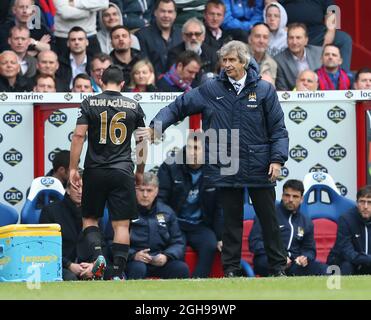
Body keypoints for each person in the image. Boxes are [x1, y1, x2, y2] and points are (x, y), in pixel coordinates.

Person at [138, 40, 289, 277]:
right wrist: (156, 127)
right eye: (224, 60)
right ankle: (230, 271)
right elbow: (179, 106)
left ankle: (278, 269)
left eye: (231, 60)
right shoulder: (210, 89)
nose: (226, 65)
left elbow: (278, 129)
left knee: (269, 220)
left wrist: (277, 160)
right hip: (225, 163)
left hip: (260, 164)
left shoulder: (264, 90)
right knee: (230, 222)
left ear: (244, 61)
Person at [69, 65, 147, 280]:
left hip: (95, 170)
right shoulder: (134, 105)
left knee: (90, 219)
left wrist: (73, 168)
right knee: (121, 224)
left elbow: (78, 136)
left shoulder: (88, 102)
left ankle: (98, 256)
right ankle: (118, 273)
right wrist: (140, 170)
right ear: (122, 84)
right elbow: (141, 140)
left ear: (101, 82)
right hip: (122, 170)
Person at [157, 134, 223, 278]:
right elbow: (160, 201)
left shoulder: (214, 169)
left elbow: (219, 207)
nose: (193, 152)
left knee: (210, 244)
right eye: (190, 148)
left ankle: (198, 283)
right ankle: (177, 283)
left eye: (197, 148)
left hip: (200, 225)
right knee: (175, 249)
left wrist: (220, 236)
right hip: (175, 224)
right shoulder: (170, 166)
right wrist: (164, 226)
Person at [249, 179, 328, 276]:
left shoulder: (306, 222)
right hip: (268, 259)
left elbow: (310, 250)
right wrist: (279, 256)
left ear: (301, 199)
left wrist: (304, 257)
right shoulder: (267, 214)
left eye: (295, 196)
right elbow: (255, 243)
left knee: (324, 269)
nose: (290, 200)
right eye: (287, 195)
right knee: (273, 264)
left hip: (294, 263)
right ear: (282, 196)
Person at [39, 175, 106, 281]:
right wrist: (69, 265)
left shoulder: (95, 213)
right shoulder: (50, 211)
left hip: (89, 265)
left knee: (110, 274)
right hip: (60, 265)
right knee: (71, 278)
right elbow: (45, 246)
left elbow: (102, 245)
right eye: (76, 187)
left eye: (84, 188)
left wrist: (93, 265)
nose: (80, 191)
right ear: (68, 190)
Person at [126, 172, 190, 279]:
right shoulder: (125, 212)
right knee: (138, 269)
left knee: (181, 268)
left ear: (156, 191)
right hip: (135, 261)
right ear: (135, 190)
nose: (145, 195)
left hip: (159, 259)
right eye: (141, 190)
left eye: (149, 190)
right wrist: (133, 255)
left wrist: (166, 256)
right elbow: (112, 242)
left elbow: (178, 242)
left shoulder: (167, 212)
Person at [280, 0, 352, 72]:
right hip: (293, 35)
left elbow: (333, 8)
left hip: (318, 34)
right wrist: (281, 27)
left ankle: (343, 78)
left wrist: (331, 31)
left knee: (344, 39)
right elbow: (275, 6)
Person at [327, 185, 371, 275]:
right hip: (343, 262)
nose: (365, 206)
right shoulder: (346, 219)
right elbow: (347, 253)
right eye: (362, 202)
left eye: (369, 202)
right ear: (357, 203)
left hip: (366, 263)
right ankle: (341, 288)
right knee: (347, 265)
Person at [135, 0, 183, 77]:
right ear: (155, 12)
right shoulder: (142, 35)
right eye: (162, 11)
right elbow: (142, 64)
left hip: (178, 84)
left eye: (170, 12)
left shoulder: (182, 35)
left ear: (175, 15)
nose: (166, 15)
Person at [167, 17, 218, 85]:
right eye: (189, 34)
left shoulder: (212, 54)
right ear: (183, 36)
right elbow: (173, 78)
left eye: (197, 34)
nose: (193, 38)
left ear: (203, 36)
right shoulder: (174, 54)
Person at [274, 23, 322, 91]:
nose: (294, 42)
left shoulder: (319, 53)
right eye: (291, 38)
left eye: (298, 38)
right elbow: (282, 90)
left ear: (306, 40)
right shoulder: (279, 61)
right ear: (287, 40)